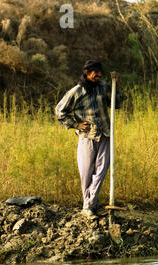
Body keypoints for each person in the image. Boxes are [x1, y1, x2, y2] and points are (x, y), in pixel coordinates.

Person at [56, 60, 126, 219]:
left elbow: (117, 103)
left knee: (101, 171)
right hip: (87, 136)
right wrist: (76, 124)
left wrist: (117, 85)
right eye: (95, 72)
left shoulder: (103, 87)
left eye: (100, 72)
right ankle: (89, 206)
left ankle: (90, 204)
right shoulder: (77, 91)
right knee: (86, 172)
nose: (99, 75)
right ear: (87, 73)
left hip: (106, 134)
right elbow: (60, 111)